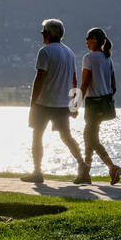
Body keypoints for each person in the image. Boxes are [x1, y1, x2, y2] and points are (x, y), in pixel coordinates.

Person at [21, 18, 83, 183]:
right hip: (62, 104)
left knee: (37, 137)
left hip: (43, 103)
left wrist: (32, 101)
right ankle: (83, 166)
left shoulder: (45, 51)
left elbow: (39, 78)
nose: (42, 35)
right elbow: (75, 80)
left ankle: (37, 172)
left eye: (43, 32)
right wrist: (74, 105)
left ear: (48, 33)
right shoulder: (69, 53)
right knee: (67, 137)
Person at [76, 27, 121, 185]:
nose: (86, 41)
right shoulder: (107, 58)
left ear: (95, 39)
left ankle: (112, 167)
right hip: (105, 104)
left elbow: (85, 82)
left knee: (90, 138)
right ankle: (85, 173)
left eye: (88, 38)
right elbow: (114, 86)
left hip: (93, 104)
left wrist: (76, 103)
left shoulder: (88, 58)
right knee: (90, 136)